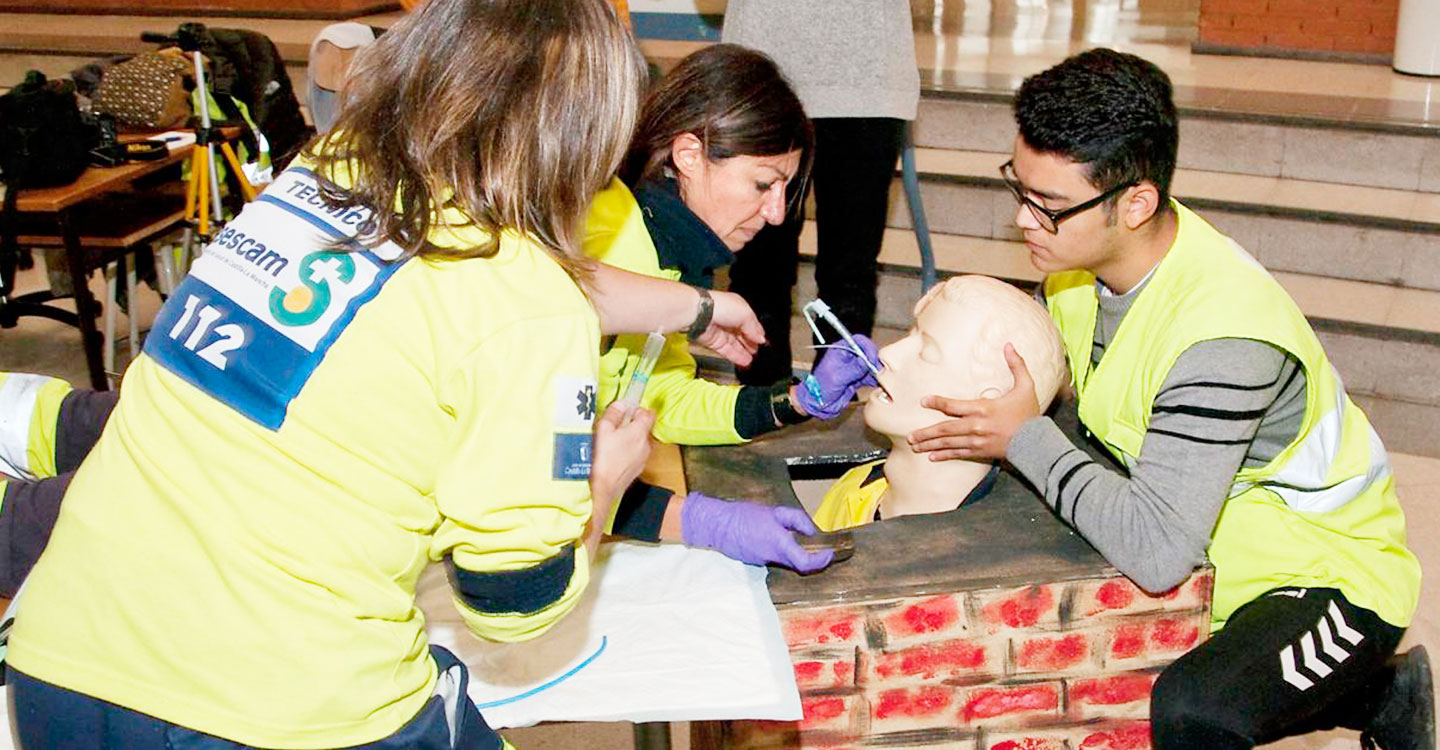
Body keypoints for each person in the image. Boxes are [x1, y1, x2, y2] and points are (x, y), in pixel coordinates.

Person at [4, 1, 767, 747]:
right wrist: (602, 476)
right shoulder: (528, 308)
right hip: (271, 708)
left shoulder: (329, 175)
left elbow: (498, 289)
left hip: (63, 664)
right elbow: (514, 601)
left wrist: (698, 308)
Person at [907, 49, 1428, 750]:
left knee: (1194, 711)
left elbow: (1157, 552)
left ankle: (1379, 688)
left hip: (1325, 578)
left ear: (1137, 202)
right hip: (1209, 544)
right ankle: (1379, 694)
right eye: (1020, 188)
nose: (1025, 219)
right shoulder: (1074, 271)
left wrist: (1023, 435)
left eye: (1050, 205)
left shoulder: (1226, 335)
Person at [587, 43, 878, 571]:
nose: (773, 214)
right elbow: (545, 472)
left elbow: (663, 401)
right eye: (763, 184)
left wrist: (795, 401)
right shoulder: (602, 238)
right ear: (689, 155)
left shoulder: (669, 250)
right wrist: (699, 520)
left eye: (785, 191)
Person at [720, 0, 920, 385]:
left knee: (850, 269)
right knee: (758, 262)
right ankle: (759, 406)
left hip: (867, 79)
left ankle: (835, 397)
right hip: (758, 71)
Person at [811, 275, 1065, 531]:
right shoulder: (854, 489)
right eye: (911, 333)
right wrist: (795, 401)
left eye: (927, 352)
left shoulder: (986, 557)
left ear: (985, 409)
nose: (887, 354)